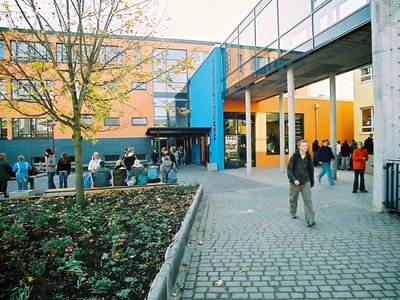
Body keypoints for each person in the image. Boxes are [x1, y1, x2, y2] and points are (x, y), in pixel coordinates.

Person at [287, 140, 315, 227]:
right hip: (295, 183)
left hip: (305, 182)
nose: (305, 147)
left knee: (308, 201)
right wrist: (294, 179)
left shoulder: (308, 157)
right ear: (299, 147)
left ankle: (310, 219)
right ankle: (292, 212)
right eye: (303, 146)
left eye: (306, 145)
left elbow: (311, 170)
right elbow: (289, 170)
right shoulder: (294, 157)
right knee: (293, 199)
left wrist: (311, 181)